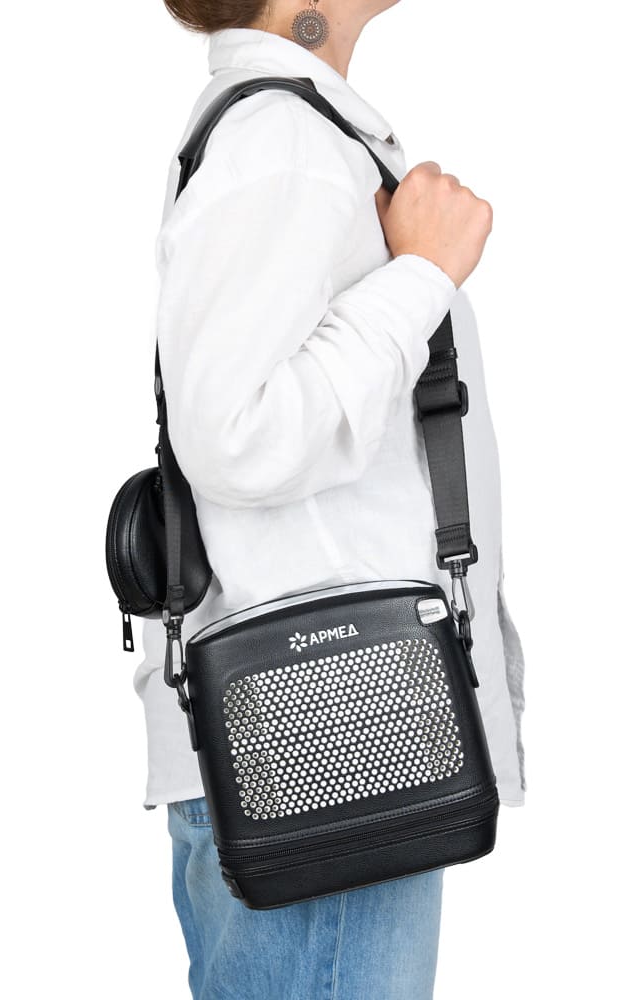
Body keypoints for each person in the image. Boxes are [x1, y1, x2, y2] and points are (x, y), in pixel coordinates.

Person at [134, 3, 527, 997]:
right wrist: (422, 274)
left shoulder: (293, 132)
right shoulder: (284, 145)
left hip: (320, 729)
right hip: (331, 742)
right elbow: (234, 434)